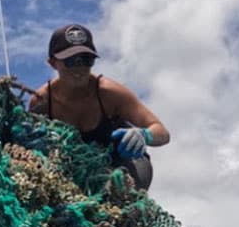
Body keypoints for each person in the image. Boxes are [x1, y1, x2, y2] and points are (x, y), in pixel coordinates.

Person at [28, 23, 170, 189]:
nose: (79, 68)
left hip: (124, 162)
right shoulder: (42, 102)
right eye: (71, 61)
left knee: (119, 187)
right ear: (53, 63)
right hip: (73, 167)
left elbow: (162, 132)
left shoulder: (109, 93)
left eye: (86, 60)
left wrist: (144, 135)